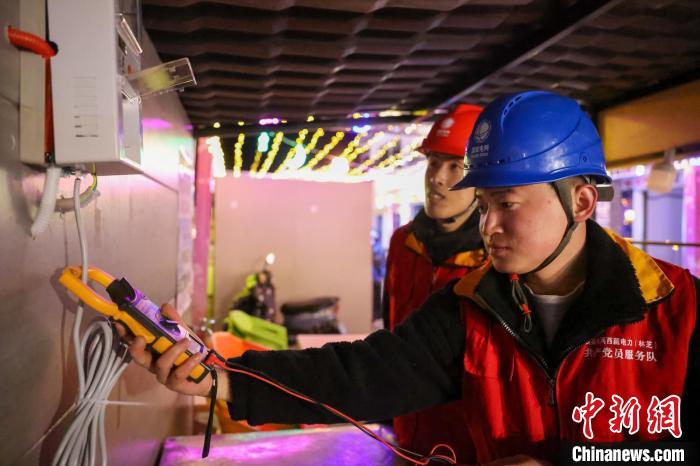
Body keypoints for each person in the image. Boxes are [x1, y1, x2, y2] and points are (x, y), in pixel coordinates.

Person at [121, 91, 698, 465]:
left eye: (507, 204)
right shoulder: (470, 304)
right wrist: (221, 376)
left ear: (580, 202)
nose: (488, 226)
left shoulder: (680, 308)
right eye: (484, 205)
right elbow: (359, 374)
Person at [382, 104, 485, 463]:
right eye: (433, 163)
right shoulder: (403, 243)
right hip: (406, 433)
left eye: (456, 166)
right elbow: (390, 329)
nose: (437, 178)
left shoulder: (496, 259)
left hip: (469, 445)